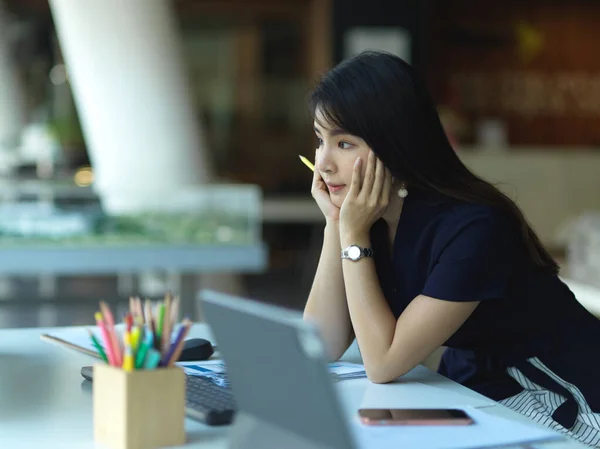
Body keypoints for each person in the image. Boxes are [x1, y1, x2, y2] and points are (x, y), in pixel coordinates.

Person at [302, 50, 600, 447]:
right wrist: (336, 224)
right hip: (477, 385)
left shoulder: (474, 226)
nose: (323, 162)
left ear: (395, 142)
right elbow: (318, 343)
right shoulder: (368, 218)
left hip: (563, 390)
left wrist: (352, 237)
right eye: (320, 140)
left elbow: (383, 362)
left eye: (343, 143)